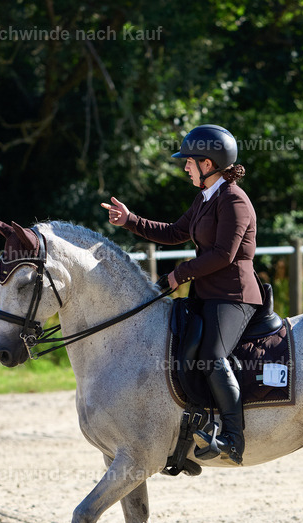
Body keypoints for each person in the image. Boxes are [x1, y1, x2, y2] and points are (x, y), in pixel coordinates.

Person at [101, 124, 262, 465]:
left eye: (188, 161)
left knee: (212, 356)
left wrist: (179, 274)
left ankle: (233, 437)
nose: (184, 167)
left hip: (235, 296)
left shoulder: (234, 200)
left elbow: (223, 255)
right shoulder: (205, 198)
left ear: (208, 163)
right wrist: (130, 220)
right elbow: (175, 232)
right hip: (206, 295)